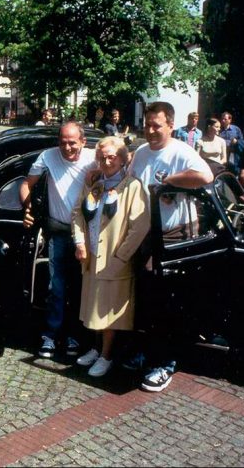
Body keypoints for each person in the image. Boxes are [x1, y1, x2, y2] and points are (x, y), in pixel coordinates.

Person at [126, 101, 213, 392]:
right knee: (146, 297)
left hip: (174, 235)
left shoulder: (181, 152)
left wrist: (170, 182)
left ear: (171, 126)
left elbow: (206, 176)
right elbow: (131, 184)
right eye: (147, 125)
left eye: (157, 126)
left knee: (168, 302)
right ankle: (148, 352)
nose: (150, 131)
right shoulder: (141, 152)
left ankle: (164, 363)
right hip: (146, 233)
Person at [72, 137, 150, 377]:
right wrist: (80, 242)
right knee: (94, 307)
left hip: (114, 260)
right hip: (92, 257)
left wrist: (121, 257)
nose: (106, 162)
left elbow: (140, 226)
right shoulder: (95, 184)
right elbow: (77, 213)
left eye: (112, 157)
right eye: (102, 157)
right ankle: (96, 349)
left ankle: (106, 356)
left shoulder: (132, 187)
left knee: (108, 313)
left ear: (123, 159)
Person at [20, 121, 97, 359]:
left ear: (83, 141)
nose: (67, 147)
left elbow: (120, 168)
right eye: (63, 142)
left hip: (87, 234)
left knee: (81, 288)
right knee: (56, 287)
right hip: (59, 232)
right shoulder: (48, 156)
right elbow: (26, 184)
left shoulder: (95, 158)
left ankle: (75, 336)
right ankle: (50, 336)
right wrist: (27, 207)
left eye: (72, 142)